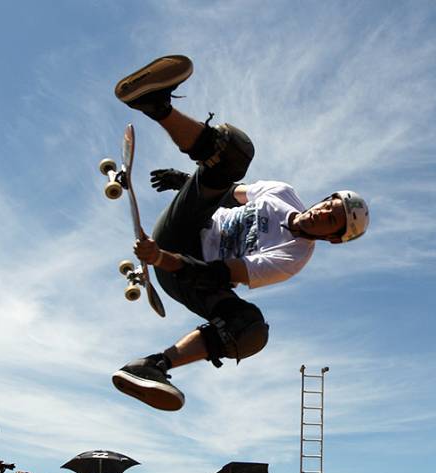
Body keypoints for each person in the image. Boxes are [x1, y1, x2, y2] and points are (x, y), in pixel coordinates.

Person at [109, 54, 370, 411]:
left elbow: (217, 274)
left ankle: (152, 366)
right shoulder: (282, 192)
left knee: (250, 330)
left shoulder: (291, 259)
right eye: (329, 204)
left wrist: (163, 260)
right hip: (188, 225)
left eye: (331, 219)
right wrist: (186, 183)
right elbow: (229, 192)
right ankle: (154, 104)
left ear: (331, 237)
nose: (324, 211)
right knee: (235, 153)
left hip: (189, 272)